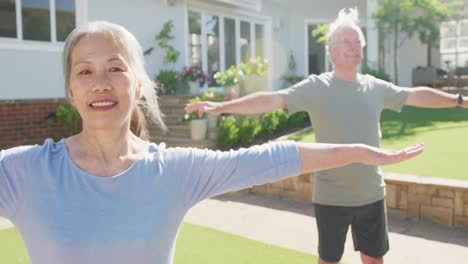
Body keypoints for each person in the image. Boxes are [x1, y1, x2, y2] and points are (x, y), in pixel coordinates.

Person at [0, 21, 424, 264]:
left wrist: (358, 151)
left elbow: (270, 158)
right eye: (85, 72)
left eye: (115, 68)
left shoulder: (175, 171)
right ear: (70, 90)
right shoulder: (24, 172)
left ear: (140, 84)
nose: (101, 84)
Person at [186, 7, 466, 264]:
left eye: (359, 42)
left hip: (371, 194)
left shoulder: (375, 87)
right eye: (348, 41)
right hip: (331, 197)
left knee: (374, 261)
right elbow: (271, 100)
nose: (355, 47)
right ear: (331, 51)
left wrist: (459, 100)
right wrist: (222, 107)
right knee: (329, 261)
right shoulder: (316, 88)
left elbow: (416, 95)